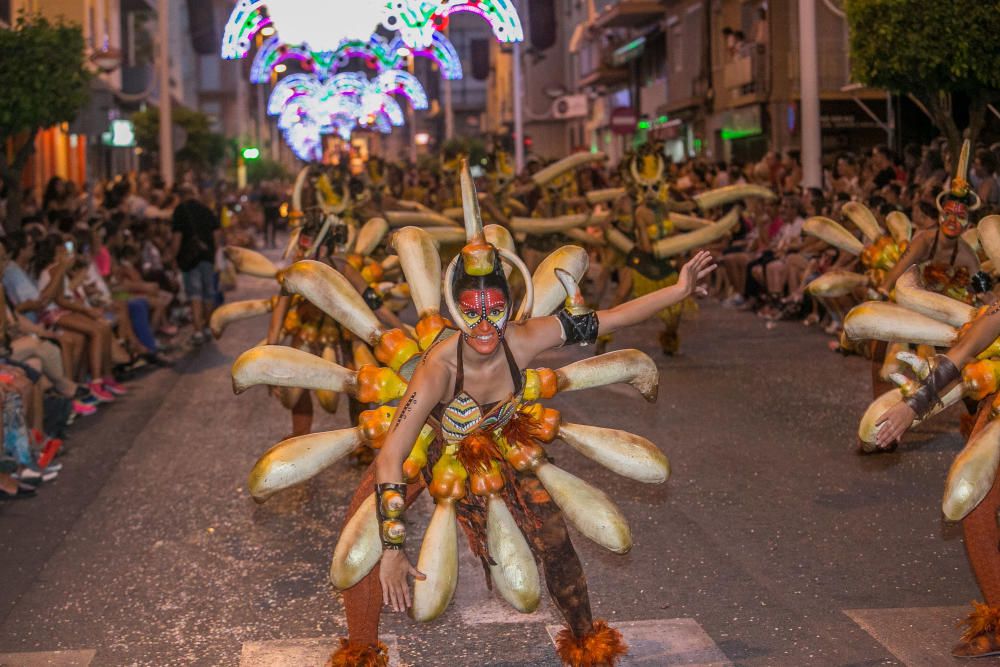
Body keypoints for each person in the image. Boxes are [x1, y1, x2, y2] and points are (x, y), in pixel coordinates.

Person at [328, 164, 716, 667]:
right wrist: (394, 548)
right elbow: (390, 460)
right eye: (473, 310)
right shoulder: (438, 368)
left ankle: (587, 646)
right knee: (361, 533)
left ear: (510, 307)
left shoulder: (525, 337)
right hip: (432, 446)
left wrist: (679, 290)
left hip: (504, 443)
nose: (486, 323)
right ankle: (360, 652)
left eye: (496, 309)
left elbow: (613, 319)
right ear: (455, 308)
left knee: (554, 542)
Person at [171, 185, 222, 345]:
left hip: (190, 259)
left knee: (195, 294)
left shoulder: (180, 211)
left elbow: (177, 237)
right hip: (207, 256)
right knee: (208, 292)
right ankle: (207, 326)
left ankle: (198, 330)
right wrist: (213, 254)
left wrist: (173, 256)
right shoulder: (206, 210)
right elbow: (217, 236)